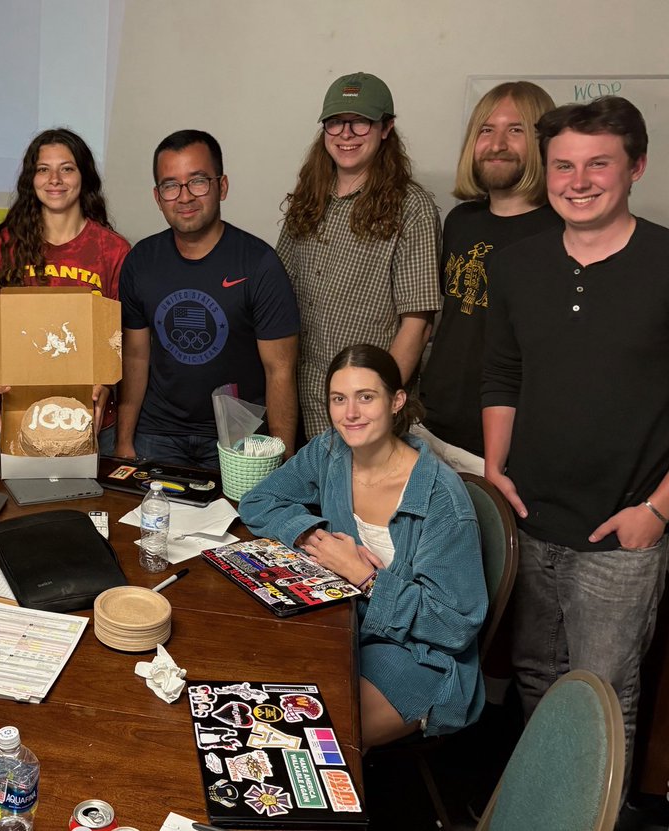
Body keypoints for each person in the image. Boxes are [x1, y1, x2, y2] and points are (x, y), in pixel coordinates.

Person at [481, 96, 669, 795]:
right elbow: (502, 372)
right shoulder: (517, 265)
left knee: (601, 697)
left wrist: (658, 508)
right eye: (563, 164)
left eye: (599, 164)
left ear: (636, 168)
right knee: (535, 678)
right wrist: (496, 465)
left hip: (622, 531)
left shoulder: (664, 261)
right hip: (532, 516)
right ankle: (544, 805)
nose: (578, 180)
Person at [240, 344, 486, 748]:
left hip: (417, 654)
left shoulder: (443, 500)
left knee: (304, 740)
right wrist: (313, 537)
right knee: (253, 695)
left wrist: (365, 577)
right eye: (339, 399)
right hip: (341, 622)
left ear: (397, 401)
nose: (350, 413)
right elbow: (258, 501)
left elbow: (453, 625)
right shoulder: (330, 451)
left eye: (365, 397)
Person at [117, 129, 299, 469]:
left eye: (198, 181)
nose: (184, 197)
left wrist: (283, 461)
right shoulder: (141, 261)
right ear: (158, 197)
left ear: (222, 186)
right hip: (159, 433)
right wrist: (124, 441)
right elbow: (135, 358)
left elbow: (281, 370)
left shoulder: (259, 263)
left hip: (239, 438)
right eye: (171, 185)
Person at [279, 72, 441, 441]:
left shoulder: (411, 208)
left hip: (367, 408)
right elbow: (278, 290)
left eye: (360, 122)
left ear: (386, 128)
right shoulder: (308, 200)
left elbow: (416, 324)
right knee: (319, 497)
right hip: (307, 394)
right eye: (335, 122)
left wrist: (374, 402)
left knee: (367, 498)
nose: (346, 134)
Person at [415, 82, 559, 475]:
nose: (497, 144)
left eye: (516, 130)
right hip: (431, 427)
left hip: (499, 448)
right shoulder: (460, 221)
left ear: (546, 142)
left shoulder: (561, 234)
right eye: (485, 129)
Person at [0, 127, 131, 452]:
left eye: (67, 168)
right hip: (19, 415)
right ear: (30, 180)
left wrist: (107, 386)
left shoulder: (113, 250)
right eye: (43, 169)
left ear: (84, 176)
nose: (55, 179)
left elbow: (120, 337)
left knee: (91, 504)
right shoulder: (3, 246)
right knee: (19, 505)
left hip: (89, 418)